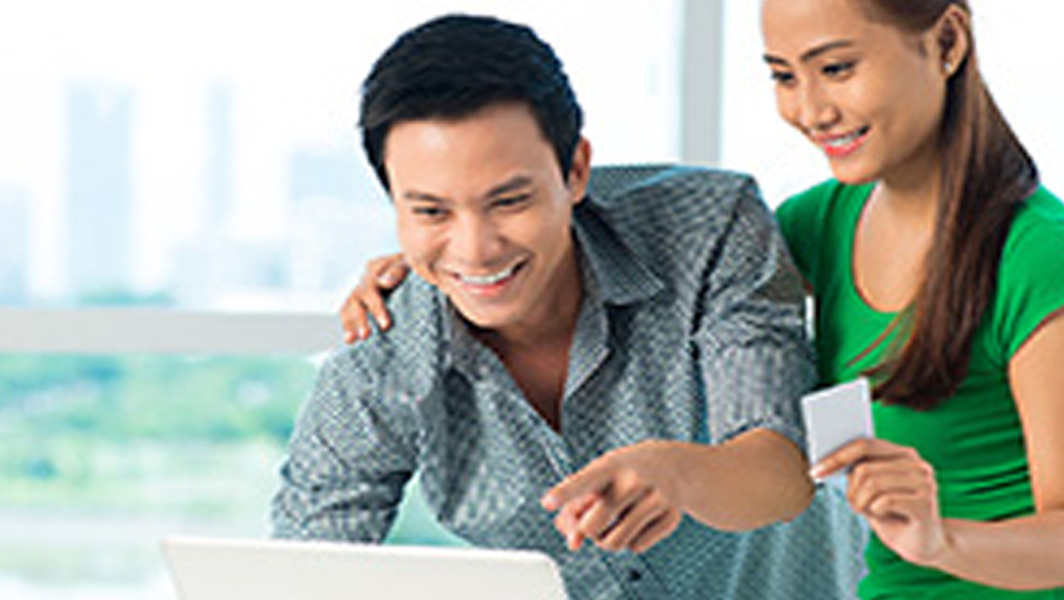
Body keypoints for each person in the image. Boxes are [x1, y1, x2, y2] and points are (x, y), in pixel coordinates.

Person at [342, 1, 1064, 598]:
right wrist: (451, 252)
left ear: (946, 40)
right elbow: (683, 257)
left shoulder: (1040, 256)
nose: (810, 109)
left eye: (837, 68)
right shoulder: (825, 221)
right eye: (784, 75)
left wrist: (943, 541)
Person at [273, 13, 864, 600]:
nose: (476, 249)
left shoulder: (709, 228)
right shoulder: (389, 341)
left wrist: (676, 472)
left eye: (509, 201)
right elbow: (307, 561)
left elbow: (783, 472)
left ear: (575, 170)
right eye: (432, 212)